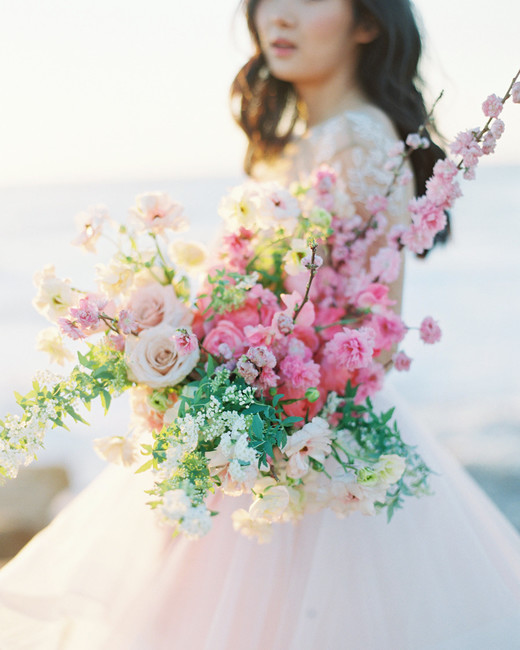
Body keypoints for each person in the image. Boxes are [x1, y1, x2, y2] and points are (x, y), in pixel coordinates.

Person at [1, 1, 520, 648]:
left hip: (295, 448)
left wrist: (244, 388)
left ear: (367, 21)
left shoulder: (359, 139)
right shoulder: (309, 140)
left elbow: (371, 341)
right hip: (252, 436)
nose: (280, 15)